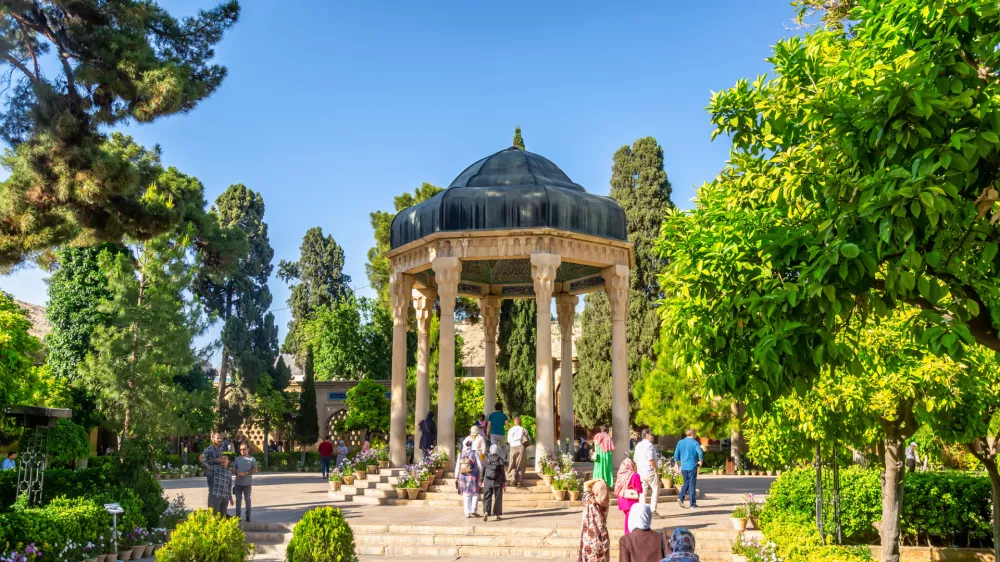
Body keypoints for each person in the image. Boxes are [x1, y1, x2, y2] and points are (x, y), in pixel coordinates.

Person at [578, 478, 611, 562]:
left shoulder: (589, 500)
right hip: (602, 537)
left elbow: (585, 484)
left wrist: (598, 479)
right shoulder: (605, 503)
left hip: (589, 539)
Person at [674, 429, 703, 509]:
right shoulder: (695, 443)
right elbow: (700, 452)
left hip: (684, 466)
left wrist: (676, 463)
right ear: (692, 434)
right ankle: (692, 504)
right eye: (695, 434)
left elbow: (676, 453)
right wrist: (700, 461)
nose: (696, 436)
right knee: (692, 484)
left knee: (686, 482)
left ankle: (681, 498)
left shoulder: (680, 442)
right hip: (692, 466)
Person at [633, 428, 660, 517]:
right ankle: (653, 510)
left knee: (643, 491)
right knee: (655, 489)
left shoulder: (638, 445)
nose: (653, 437)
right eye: (651, 435)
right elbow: (650, 458)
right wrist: (655, 468)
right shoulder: (649, 445)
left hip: (641, 471)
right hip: (650, 471)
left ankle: (642, 510)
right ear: (647, 435)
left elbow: (635, 459)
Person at [455, 438, 482, 518]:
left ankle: (467, 512)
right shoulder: (475, 453)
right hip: (473, 475)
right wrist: (481, 474)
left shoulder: (460, 454)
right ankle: (473, 510)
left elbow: (457, 466)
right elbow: (479, 465)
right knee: (475, 493)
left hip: (463, 476)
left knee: (466, 494)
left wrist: (456, 476)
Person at [614, 458, 642, 534]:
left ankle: (629, 532)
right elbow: (639, 489)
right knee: (629, 518)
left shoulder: (621, 475)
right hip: (630, 501)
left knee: (627, 516)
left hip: (622, 499)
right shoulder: (635, 475)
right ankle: (628, 533)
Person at [233, 443, 258, 522]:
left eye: (244, 449)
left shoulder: (252, 459)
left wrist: (246, 473)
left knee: (247, 499)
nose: (242, 451)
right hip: (238, 483)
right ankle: (238, 517)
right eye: (241, 449)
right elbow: (233, 469)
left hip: (247, 483)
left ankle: (248, 516)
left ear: (248, 449)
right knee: (238, 500)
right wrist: (237, 472)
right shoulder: (237, 459)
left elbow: (255, 469)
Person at [481, 443, 506, 522]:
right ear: (497, 450)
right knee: (498, 497)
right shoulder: (500, 460)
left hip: (487, 480)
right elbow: (502, 472)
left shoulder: (486, 459)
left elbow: (483, 470)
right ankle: (497, 514)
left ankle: (486, 512)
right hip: (498, 480)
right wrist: (504, 482)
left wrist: (481, 480)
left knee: (487, 496)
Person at [505, 416, 530, 487]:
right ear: (520, 422)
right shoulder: (523, 429)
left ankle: (512, 477)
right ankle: (519, 481)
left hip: (513, 447)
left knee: (512, 464)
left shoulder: (511, 430)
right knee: (521, 465)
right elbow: (528, 439)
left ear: (514, 422)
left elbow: (509, 440)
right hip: (521, 447)